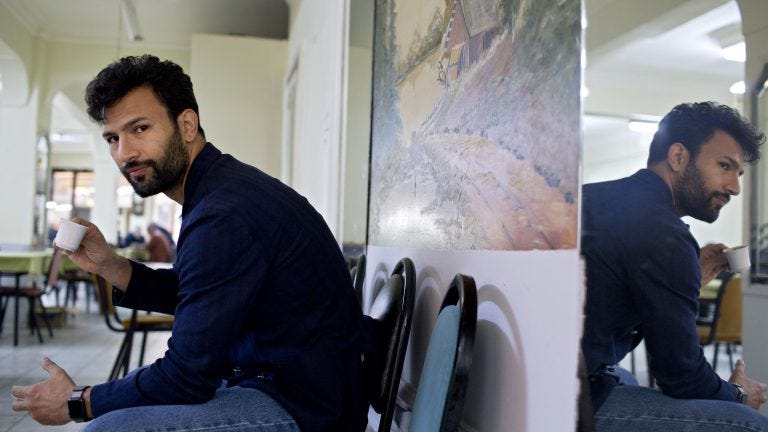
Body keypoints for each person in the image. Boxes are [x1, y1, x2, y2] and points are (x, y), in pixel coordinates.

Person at [11, 54, 369, 432]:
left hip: (306, 406)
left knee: (107, 429)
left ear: (186, 124)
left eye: (140, 128)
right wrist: (110, 265)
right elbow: (197, 293)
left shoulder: (223, 213)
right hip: (284, 381)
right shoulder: (218, 191)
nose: (124, 153)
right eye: (113, 138)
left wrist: (79, 402)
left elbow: (185, 377)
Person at [581, 101, 768, 431]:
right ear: (678, 157)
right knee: (751, 424)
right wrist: (738, 394)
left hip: (528, 372)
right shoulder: (666, 233)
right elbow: (681, 376)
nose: (735, 188)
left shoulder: (588, 198)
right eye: (725, 166)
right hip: (570, 396)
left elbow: (604, 299)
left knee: (621, 375)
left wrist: (690, 276)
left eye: (738, 174)